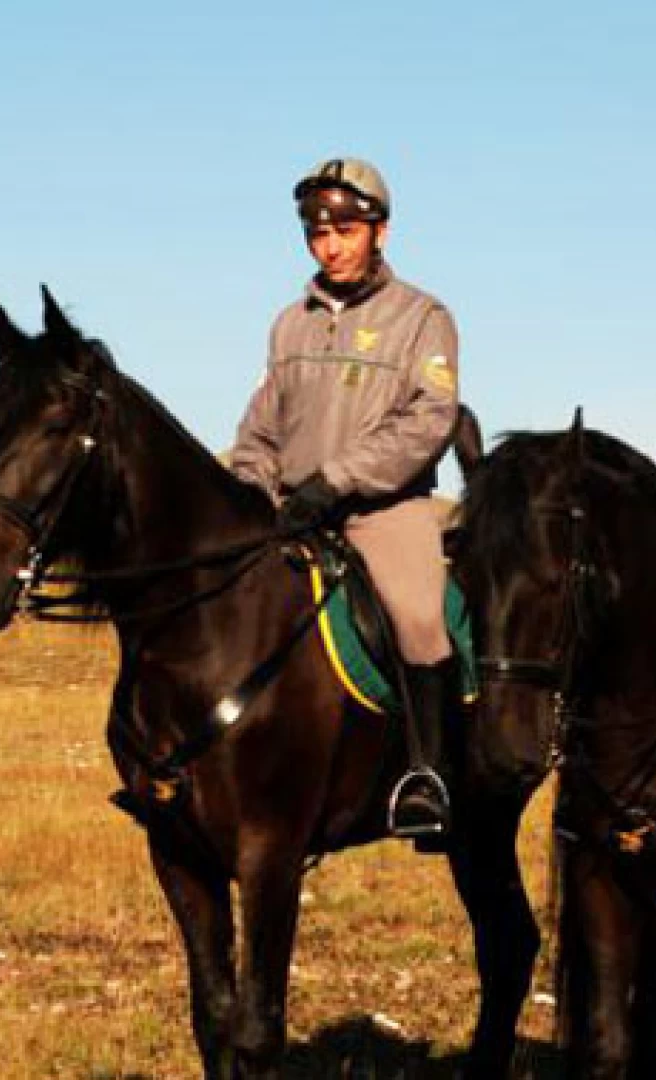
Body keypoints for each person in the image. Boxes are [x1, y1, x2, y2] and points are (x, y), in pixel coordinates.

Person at [229, 157, 461, 844]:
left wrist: (337, 480)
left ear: (380, 232)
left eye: (347, 230)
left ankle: (429, 777)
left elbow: (429, 419)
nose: (331, 245)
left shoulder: (422, 317)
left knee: (420, 619)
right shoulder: (289, 325)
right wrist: (253, 489)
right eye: (318, 233)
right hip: (293, 510)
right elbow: (262, 425)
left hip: (383, 509)